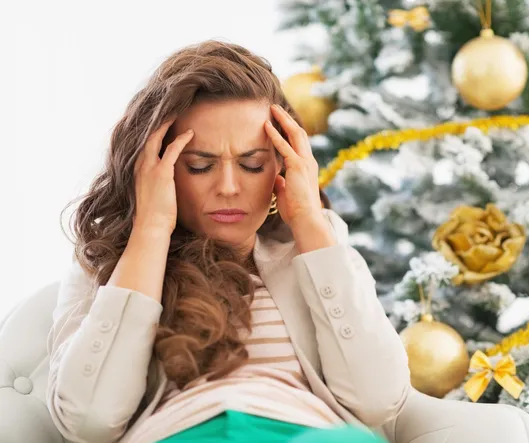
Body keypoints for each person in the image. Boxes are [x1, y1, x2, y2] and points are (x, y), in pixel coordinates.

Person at [46, 40, 410, 443]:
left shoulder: (316, 247)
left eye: (252, 164)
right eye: (200, 166)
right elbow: (88, 422)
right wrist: (150, 231)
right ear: (155, 169)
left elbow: (379, 399)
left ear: (282, 163)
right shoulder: (112, 261)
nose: (229, 187)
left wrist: (309, 221)